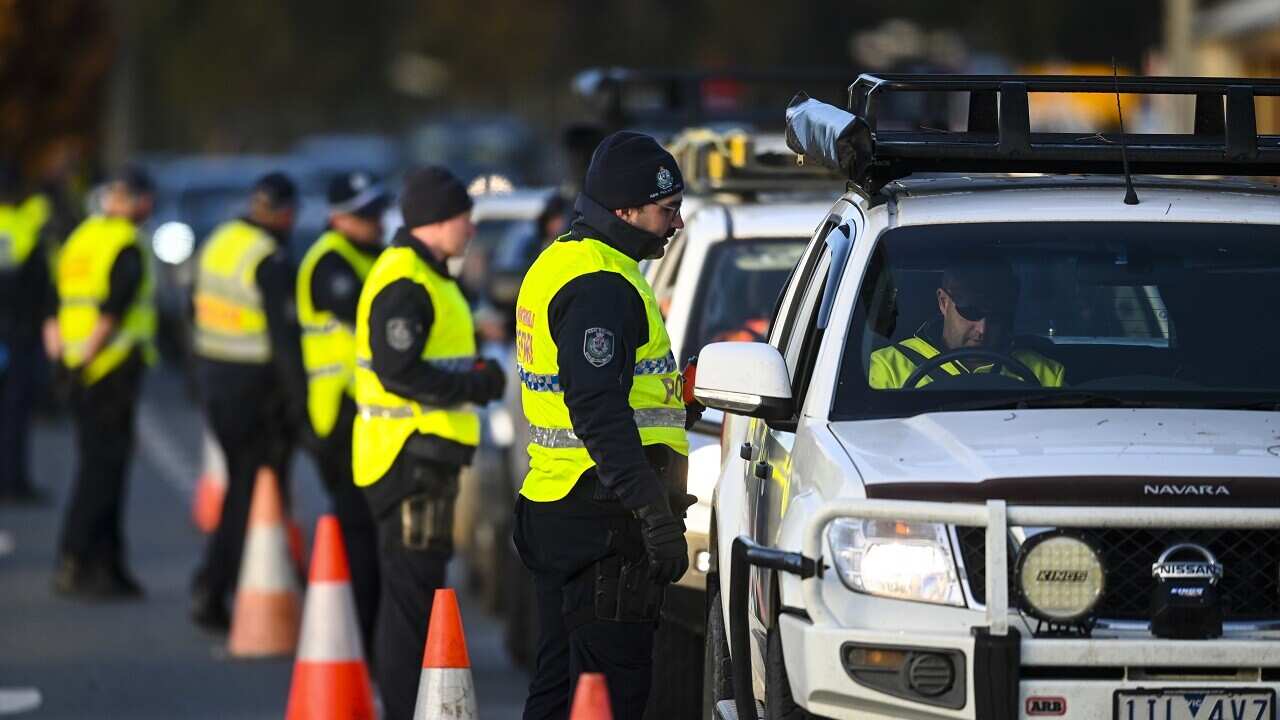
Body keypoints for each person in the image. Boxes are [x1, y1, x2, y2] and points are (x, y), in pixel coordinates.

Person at [513, 131, 698, 720]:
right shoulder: (602, 285)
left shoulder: (567, 261)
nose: (676, 224)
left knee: (561, 688)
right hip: (603, 525)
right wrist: (653, 513)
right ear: (626, 211)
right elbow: (596, 409)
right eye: (666, 211)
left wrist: (677, 403)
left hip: (565, 504)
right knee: (608, 695)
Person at [352, 166, 505, 720]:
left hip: (422, 455)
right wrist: (477, 384)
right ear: (436, 222)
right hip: (409, 457)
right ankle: (402, 709)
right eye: (464, 217)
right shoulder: (405, 281)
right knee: (412, 603)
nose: (470, 227)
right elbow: (399, 371)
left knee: (415, 596)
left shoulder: (430, 274)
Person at [190, 172, 304, 630]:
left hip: (215, 378)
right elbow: (283, 342)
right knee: (251, 494)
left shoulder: (221, 241)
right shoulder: (269, 260)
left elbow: (190, 308)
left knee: (246, 489)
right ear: (286, 213)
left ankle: (239, 582)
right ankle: (216, 587)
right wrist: (300, 400)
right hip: (256, 390)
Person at [46, 167, 156, 598]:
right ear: (136, 200)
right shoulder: (125, 244)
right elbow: (113, 311)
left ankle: (109, 565)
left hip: (77, 367)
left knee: (98, 465)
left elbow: (54, 305)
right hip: (109, 367)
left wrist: (63, 363)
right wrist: (88, 357)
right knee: (104, 472)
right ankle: (77, 558)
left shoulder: (81, 240)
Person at [295, 171, 388, 653]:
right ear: (337, 218)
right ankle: (358, 641)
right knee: (357, 531)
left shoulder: (369, 255)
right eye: (363, 213)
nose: (375, 220)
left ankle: (366, 637)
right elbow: (372, 318)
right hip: (340, 415)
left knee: (370, 532)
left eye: (376, 209)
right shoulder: (329, 262)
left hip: (368, 413)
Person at [868, 259, 1065, 389]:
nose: (982, 329)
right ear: (943, 302)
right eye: (971, 312)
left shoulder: (1046, 374)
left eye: (996, 316)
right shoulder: (885, 368)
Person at [0, 162, 53, 504]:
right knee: (14, 412)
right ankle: (12, 482)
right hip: (16, 332)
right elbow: (41, 287)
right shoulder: (25, 230)